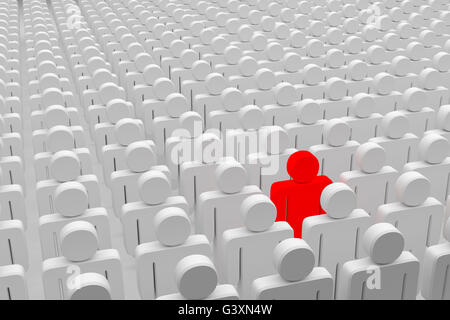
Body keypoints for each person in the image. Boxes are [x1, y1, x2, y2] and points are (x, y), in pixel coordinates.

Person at [271, 151, 332, 237]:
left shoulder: (280, 189)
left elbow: (279, 221)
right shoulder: (325, 184)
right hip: (315, 235)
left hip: (290, 239)